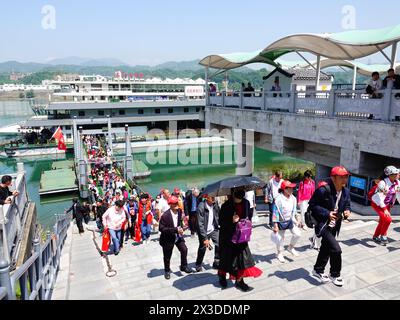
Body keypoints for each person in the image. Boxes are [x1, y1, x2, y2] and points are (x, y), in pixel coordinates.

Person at [309, 166, 352, 287]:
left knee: (326, 248)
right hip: (323, 224)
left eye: (346, 176)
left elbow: (347, 204)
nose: (344, 179)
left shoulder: (346, 191)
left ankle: (318, 270)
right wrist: (327, 213)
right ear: (333, 178)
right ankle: (335, 274)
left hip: (335, 225)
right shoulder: (323, 190)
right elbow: (312, 205)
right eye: (341, 177)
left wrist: (348, 211)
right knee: (336, 249)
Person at [218, 190, 263, 292]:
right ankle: (222, 276)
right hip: (228, 237)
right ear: (233, 193)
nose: (241, 193)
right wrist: (231, 220)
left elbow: (249, 216)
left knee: (242, 259)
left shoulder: (246, 203)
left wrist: (244, 223)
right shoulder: (226, 205)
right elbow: (220, 222)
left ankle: (239, 280)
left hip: (241, 236)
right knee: (226, 258)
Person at [159, 196, 193, 280]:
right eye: (174, 203)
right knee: (167, 255)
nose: (176, 205)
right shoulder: (165, 215)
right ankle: (167, 270)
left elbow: (179, 222)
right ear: (170, 204)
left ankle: (183, 266)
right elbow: (161, 228)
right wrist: (175, 230)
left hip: (178, 236)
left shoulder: (180, 211)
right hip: (167, 238)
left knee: (184, 249)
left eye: (177, 203)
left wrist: (182, 227)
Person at [272, 181, 302, 263]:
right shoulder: (278, 199)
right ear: (284, 189)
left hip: (290, 220)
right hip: (281, 221)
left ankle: (290, 247)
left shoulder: (293, 198)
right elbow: (275, 213)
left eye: (292, 187)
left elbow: (295, 211)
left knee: (297, 234)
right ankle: (279, 253)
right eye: (290, 188)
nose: (292, 189)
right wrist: (275, 225)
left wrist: (298, 219)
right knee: (280, 239)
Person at [370, 166, 400, 246]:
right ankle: (383, 236)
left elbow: (398, 194)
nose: (398, 174)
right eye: (396, 173)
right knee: (388, 219)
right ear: (390, 175)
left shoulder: (397, 182)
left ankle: (376, 236)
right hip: (378, 204)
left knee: (383, 220)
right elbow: (378, 197)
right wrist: (384, 209)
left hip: (387, 205)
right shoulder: (382, 183)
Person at [195, 194, 220, 272]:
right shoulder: (201, 207)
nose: (213, 198)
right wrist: (205, 238)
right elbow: (200, 224)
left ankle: (216, 261)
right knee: (203, 248)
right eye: (211, 197)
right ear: (206, 198)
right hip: (204, 231)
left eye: (214, 197)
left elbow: (219, 214)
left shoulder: (215, 204)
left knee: (219, 243)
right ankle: (198, 264)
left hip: (213, 229)